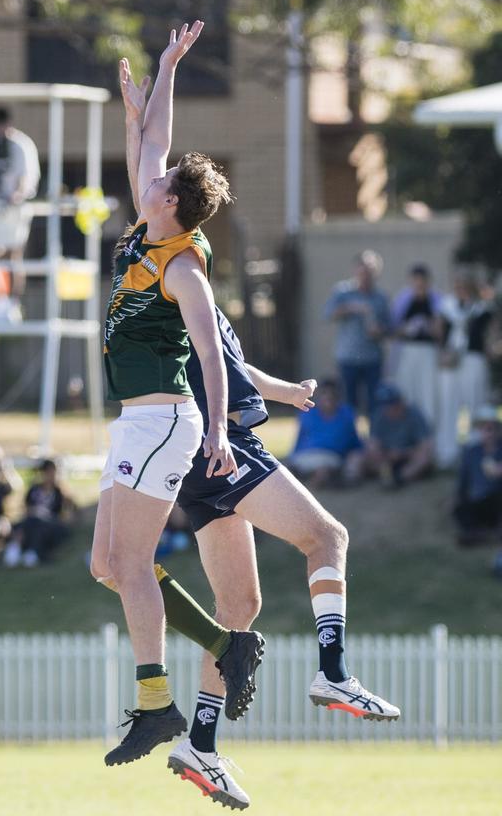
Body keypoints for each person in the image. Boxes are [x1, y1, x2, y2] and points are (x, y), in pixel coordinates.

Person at [90, 21, 263, 770]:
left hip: (166, 421)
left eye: (158, 181)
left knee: (129, 564)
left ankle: (157, 706)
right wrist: (166, 69)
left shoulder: (182, 264)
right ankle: (226, 643)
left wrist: (220, 429)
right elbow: (153, 139)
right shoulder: (149, 229)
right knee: (107, 563)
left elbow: (207, 349)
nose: (147, 174)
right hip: (138, 423)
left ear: (171, 203)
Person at [165, 306, 400, 806]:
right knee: (327, 537)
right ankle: (334, 674)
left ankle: (200, 744)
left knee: (238, 608)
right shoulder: (182, 272)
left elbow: (228, 365)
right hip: (222, 442)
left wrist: (285, 392)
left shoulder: (185, 277)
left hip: (198, 458)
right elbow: (204, 363)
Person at [0, 105, 41, 316]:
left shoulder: (20, 144)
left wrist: (17, 195)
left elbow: (26, 177)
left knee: (12, 253)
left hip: (14, 208)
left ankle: (13, 303)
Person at [435, 271, 498, 468]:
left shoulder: (483, 309)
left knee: (476, 403)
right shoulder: (447, 307)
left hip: (473, 359)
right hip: (451, 362)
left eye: (465, 285)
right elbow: (439, 333)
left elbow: (492, 338)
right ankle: (447, 452)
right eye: (458, 285)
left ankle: (477, 448)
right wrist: (443, 353)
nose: (461, 289)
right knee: (449, 405)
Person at [324, 252, 390, 415]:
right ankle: (350, 439)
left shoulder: (381, 297)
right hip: (348, 357)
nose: (366, 275)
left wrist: (378, 330)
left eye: (370, 271)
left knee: (375, 404)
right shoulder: (343, 291)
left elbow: (389, 327)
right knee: (348, 404)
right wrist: (350, 308)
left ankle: (374, 439)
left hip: (372, 358)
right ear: (356, 270)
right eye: (363, 270)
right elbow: (328, 314)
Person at [286, 377, 364, 487]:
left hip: (332, 456)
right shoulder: (307, 412)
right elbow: (300, 438)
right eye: (324, 394)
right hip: (306, 455)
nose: (328, 397)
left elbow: (354, 441)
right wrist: (292, 457)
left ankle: (319, 478)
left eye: (332, 394)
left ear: (338, 396)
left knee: (326, 468)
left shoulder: (346, 413)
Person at [391, 264, 443, 425]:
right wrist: (407, 329)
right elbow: (394, 330)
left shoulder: (436, 300)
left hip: (428, 353)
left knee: (428, 393)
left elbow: (441, 333)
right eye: (416, 281)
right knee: (407, 392)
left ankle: (428, 431)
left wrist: (429, 326)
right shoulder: (403, 300)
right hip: (407, 352)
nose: (419, 284)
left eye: (423, 281)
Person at [3, 458, 77, 568]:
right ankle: (17, 549)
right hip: (33, 520)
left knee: (40, 528)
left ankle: (32, 552)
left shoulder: (59, 491)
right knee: (24, 525)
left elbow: (72, 508)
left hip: (52, 522)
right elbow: (26, 508)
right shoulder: (34, 489)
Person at [364, 383, 433, 488]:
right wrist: (380, 453)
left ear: (399, 402)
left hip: (408, 455)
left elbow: (425, 445)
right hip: (387, 456)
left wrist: (403, 453)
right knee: (364, 456)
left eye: (391, 404)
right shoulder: (378, 415)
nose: (387, 408)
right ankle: (386, 476)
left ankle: (400, 478)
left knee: (423, 458)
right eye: (385, 405)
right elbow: (373, 442)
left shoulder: (414, 414)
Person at [453, 405, 502, 546]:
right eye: (484, 428)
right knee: (461, 509)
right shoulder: (471, 452)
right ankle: (479, 534)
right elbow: (463, 481)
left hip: (497, 498)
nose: (488, 432)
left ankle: (491, 532)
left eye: (491, 428)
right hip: (478, 501)